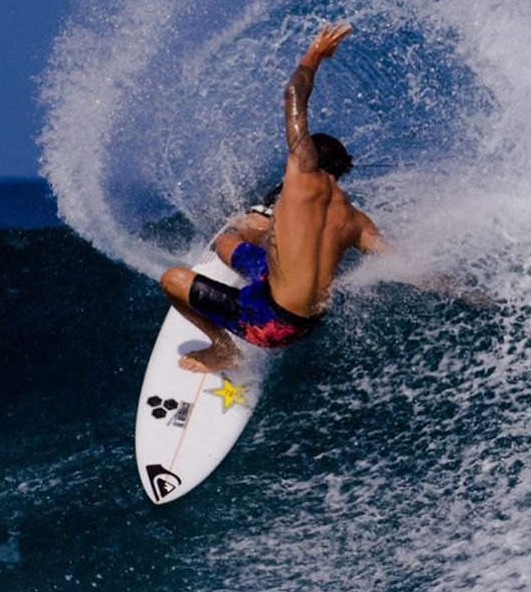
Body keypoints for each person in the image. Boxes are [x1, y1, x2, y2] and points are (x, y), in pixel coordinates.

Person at [160, 22, 384, 372]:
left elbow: (294, 95)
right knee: (228, 242)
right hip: (305, 318)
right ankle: (259, 231)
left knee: (172, 278)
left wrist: (315, 54)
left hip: (272, 324)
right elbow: (403, 263)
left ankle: (222, 350)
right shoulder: (357, 222)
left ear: (309, 156)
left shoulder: (303, 171)